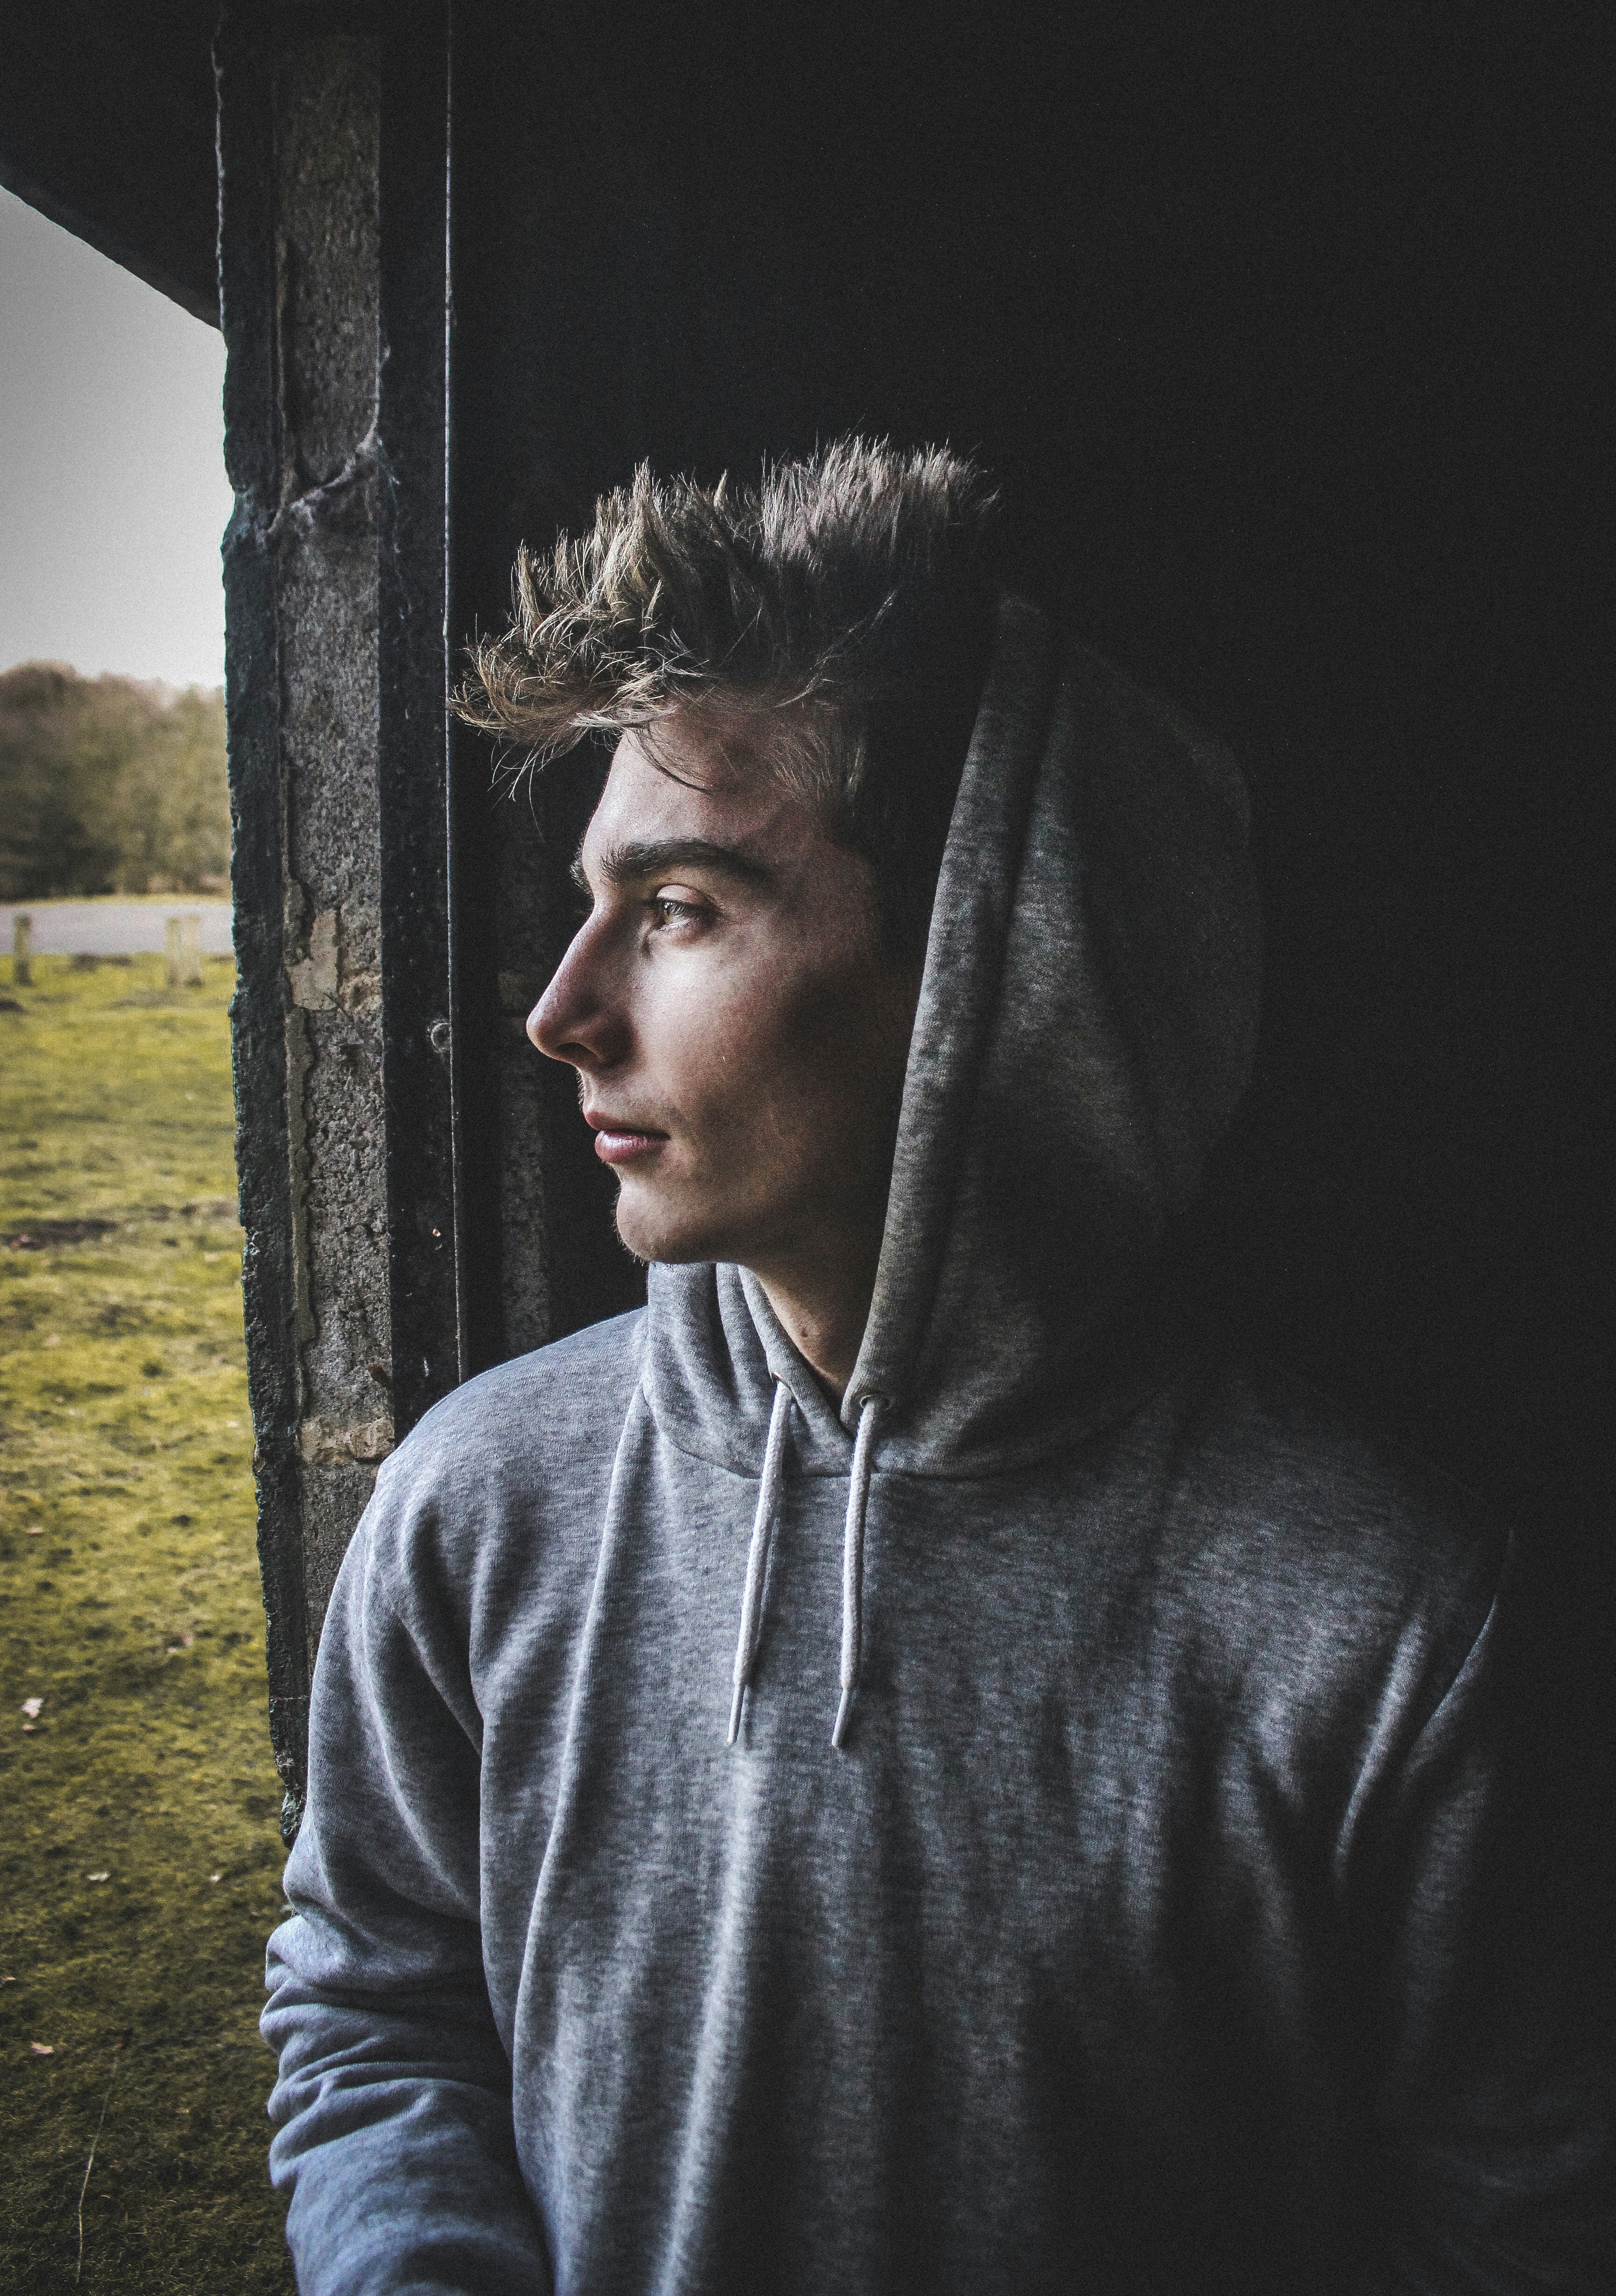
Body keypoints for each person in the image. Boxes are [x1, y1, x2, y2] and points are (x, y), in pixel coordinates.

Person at [262, 440, 1608, 2292]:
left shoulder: (1380, 1624)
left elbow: (1514, 2222)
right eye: (593, 900)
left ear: (994, 969)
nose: (560, 1011)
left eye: (680, 909)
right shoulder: (474, 1510)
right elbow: (374, 2006)